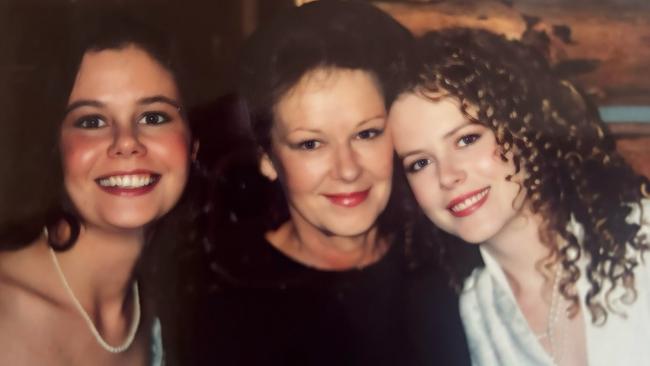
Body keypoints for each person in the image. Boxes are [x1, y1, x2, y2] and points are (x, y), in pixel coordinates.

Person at [190, 1, 470, 365]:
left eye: (367, 133)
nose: (347, 169)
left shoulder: (449, 260)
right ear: (267, 158)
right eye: (311, 144)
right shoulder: (219, 302)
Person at [388, 27, 650, 365]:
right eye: (420, 162)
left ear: (522, 130)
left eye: (466, 139)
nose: (448, 175)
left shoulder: (642, 233)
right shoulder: (473, 312)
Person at [0, 7, 194, 365]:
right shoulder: (7, 312)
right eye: (91, 120)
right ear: (55, 149)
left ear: (193, 144)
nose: (126, 142)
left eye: (153, 117)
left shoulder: (169, 304)